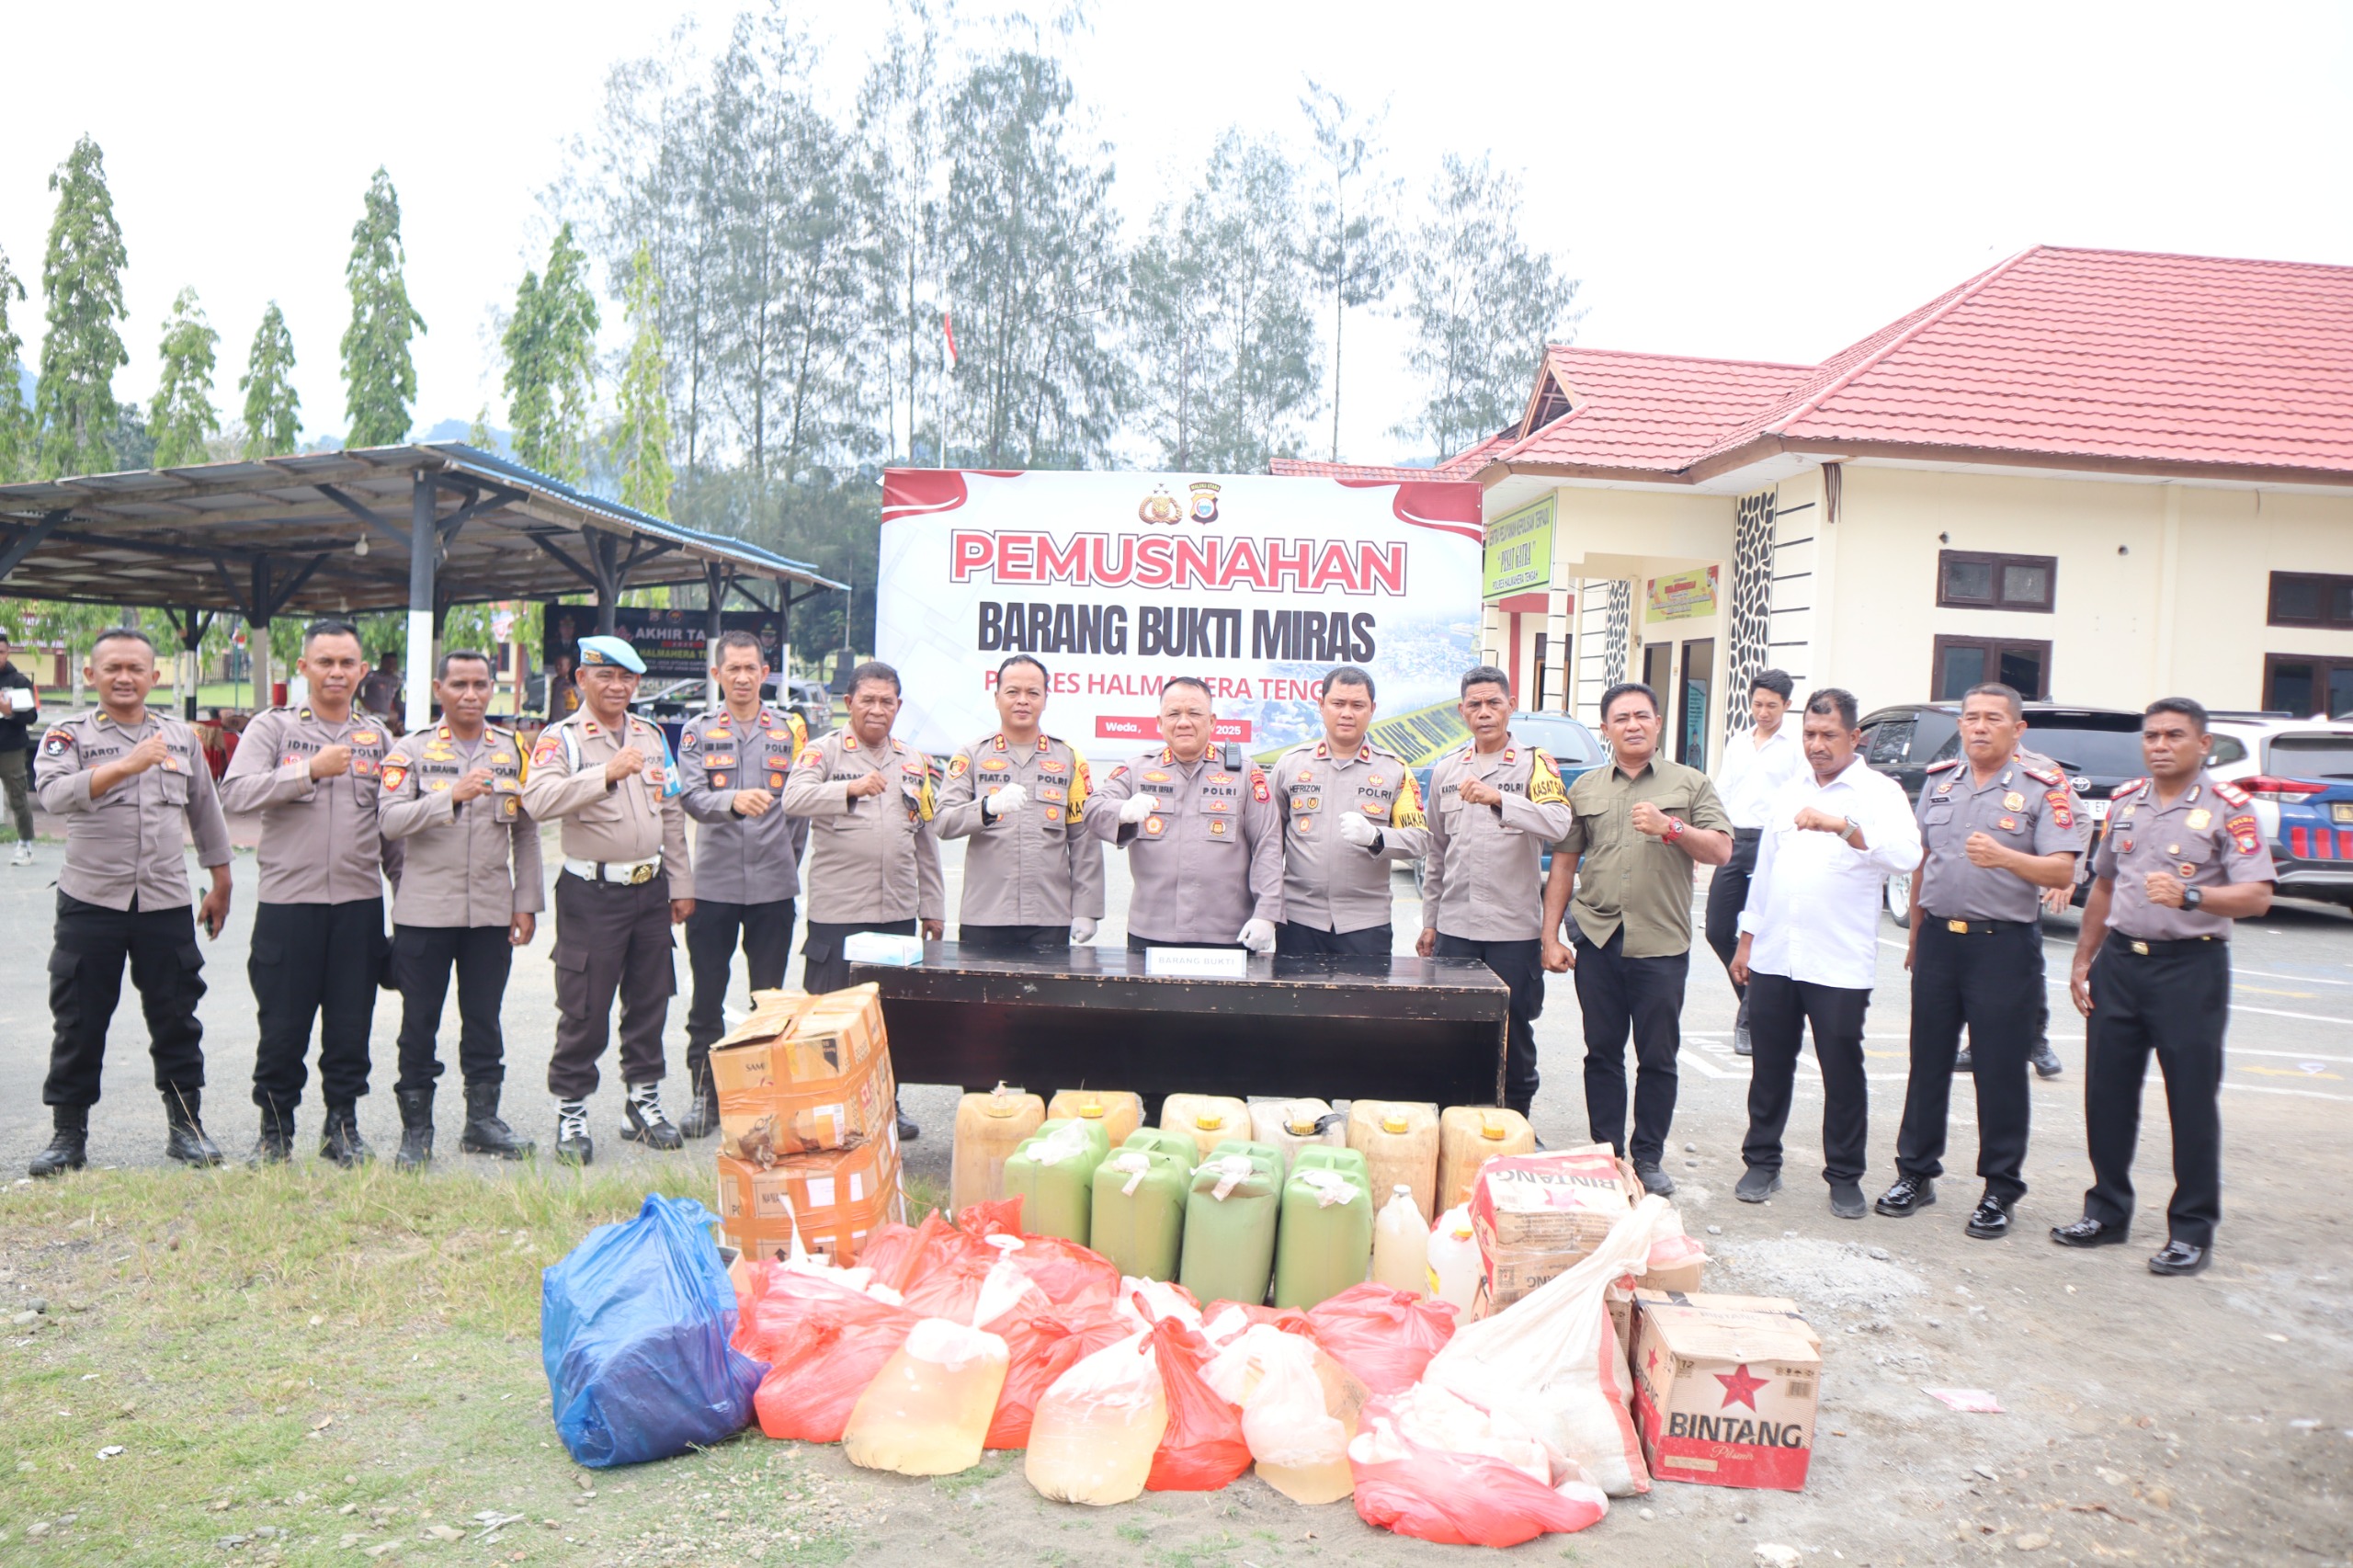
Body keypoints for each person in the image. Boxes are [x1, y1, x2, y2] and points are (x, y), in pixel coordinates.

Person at [2054, 699, 2274, 1277]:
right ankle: (2106, 1212)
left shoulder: (2232, 809)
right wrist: (2084, 958)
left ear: (2203, 745)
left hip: (2190, 969)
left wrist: (2193, 896)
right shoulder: (2127, 803)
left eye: (2175, 735)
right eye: (2152, 736)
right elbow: (2103, 885)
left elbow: (2257, 896)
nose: (2160, 745)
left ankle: (2192, 1230)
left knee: (2191, 1101)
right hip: (2121, 964)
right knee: (2106, 1093)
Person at [1876, 683, 2085, 1237]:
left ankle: (2000, 1189)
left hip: (2003, 946)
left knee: (1998, 1072)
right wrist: (1918, 936)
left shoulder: (2045, 786)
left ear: (2018, 730)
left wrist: (2007, 857)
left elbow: (2063, 872)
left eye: (1993, 718)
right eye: (1971, 717)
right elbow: (1921, 864)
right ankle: (1915, 1174)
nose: (1979, 727)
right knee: (1927, 1063)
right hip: (1942, 941)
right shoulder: (1941, 781)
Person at [27, 629, 233, 1176]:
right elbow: (50, 795)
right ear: (91, 675)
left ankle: (186, 1128)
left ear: (153, 677)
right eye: (112, 668)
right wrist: (125, 765)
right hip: (90, 901)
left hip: (164, 901)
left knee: (176, 1016)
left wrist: (221, 878)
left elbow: (204, 809)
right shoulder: (67, 736)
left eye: (136, 669)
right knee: (79, 1018)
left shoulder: (180, 738)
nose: (124, 678)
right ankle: (68, 1137)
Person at [1729, 688, 1921, 1217]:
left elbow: (1908, 855)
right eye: (1810, 734)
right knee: (1769, 1065)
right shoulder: (1789, 792)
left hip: (1837, 962)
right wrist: (1747, 940)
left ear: (1854, 737)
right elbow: (1764, 874)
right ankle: (1762, 1162)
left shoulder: (1879, 793)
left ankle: (1844, 1175)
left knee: (1841, 1069)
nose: (1816, 745)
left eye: (1828, 735)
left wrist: (1846, 827)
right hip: (1774, 956)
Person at [222, 620, 401, 1165]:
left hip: (357, 905)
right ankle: (274, 1132)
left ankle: (341, 1128)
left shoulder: (380, 738)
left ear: (363, 671)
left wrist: (407, 902)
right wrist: (308, 772)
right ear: (303, 668)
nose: (337, 673)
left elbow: (392, 828)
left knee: (351, 1025)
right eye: (325, 662)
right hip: (288, 907)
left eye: (347, 663)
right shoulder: (273, 730)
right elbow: (233, 794)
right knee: (282, 1026)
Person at [1540, 680, 1732, 1188]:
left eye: (1642, 716)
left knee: (1658, 1057)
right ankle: (1606, 1153)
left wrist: (1672, 828)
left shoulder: (1690, 784)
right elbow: (1563, 866)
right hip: (1599, 940)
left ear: (1658, 723)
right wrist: (1550, 936)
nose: (1633, 725)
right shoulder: (1585, 789)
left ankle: (1647, 1157)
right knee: (1602, 1052)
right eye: (1621, 718)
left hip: (1661, 944)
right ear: (1605, 729)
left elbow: (1719, 851)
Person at [520, 633, 695, 1164]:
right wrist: (604, 774)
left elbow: (670, 810)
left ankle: (641, 1104)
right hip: (591, 892)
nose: (617, 686)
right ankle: (571, 1113)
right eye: (605, 675)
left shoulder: (648, 734)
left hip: (650, 889)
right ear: (582, 680)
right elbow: (537, 800)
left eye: (627, 678)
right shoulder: (563, 738)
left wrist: (682, 884)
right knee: (585, 1006)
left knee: (650, 999)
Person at [377, 650, 542, 1168]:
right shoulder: (412, 750)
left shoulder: (512, 750)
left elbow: (528, 833)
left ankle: (481, 1122)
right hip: (425, 913)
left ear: (492, 688)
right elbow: (389, 821)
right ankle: (416, 1131)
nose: (470, 694)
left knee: (484, 1019)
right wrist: (450, 796)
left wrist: (527, 903)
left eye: (479, 684)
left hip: (491, 912)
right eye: (459, 685)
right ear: (438, 689)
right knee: (419, 1021)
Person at [780, 659, 942, 1139]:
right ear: (849, 703)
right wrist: (849, 788)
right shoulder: (823, 752)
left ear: (898, 706)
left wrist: (932, 906)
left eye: (886, 701)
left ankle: (886, 1104)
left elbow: (925, 838)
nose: (877, 710)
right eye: (867, 700)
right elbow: (793, 798)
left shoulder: (914, 761)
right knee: (827, 1023)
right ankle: (825, 1111)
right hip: (838, 918)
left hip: (894, 917)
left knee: (888, 1019)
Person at [1420, 666, 1574, 1119]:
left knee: (1515, 1031)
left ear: (1511, 704)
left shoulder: (1535, 763)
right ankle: (1456, 1119)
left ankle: (1516, 1122)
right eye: (1475, 705)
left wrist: (1499, 799)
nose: (1484, 713)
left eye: (1493, 703)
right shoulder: (1447, 770)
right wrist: (1430, 922)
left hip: (1513, 930)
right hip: (1457, 928)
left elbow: (1559, 823)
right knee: (1454, 1030)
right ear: (1461, 711)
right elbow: (1435, 853)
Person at [676, 631, 811, 1137]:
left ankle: (762, 1101)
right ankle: (705, 1097)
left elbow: (798, 810)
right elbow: (688, 796)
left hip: (774, 890)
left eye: (751, 668)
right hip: (713, 887)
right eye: (732, 668)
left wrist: (786, 861)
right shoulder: (697, 730)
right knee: (707, 996)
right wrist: (729, 801)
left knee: (770, 1001)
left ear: (765, 672)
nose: (742, 677)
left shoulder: (789, 731)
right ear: (717, 675)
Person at [1088, 676, 1282, 952]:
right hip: (1152, 930)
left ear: (1212, 721)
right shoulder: (1136, 770)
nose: (1183, 722)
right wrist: (1122, 810)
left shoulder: (1245, 774)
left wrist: (1267, 914)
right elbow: (1093, 809)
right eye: (1173, 714)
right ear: (1160, 722)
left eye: (1194, 713)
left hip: (1228, 934)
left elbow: (1268, 845)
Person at [933, 653, 1105, 954]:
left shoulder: (1069, 758)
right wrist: (986, 807)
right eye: (1012, 692)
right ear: (997, 697)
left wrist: (1087, 909)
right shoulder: (971, 756)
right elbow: (943, 822)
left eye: (1033, 693)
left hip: (1049, 915)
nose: (1022, 700)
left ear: (1046, 699)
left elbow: (1083, 839)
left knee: (1044, 1001)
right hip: (986, 914)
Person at [1272, 665, 1428, 956]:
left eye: (1357, 705)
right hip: (1299, 920)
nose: (1347, 713)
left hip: (1365, 925)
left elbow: (1420, 840)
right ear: (1321, 705)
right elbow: (1268, 844)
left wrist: (1376, 837)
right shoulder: (1291, 765)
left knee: (1362, 1003)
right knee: (1297, 1002)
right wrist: (1264, 908)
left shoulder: (1395, 769)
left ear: (1372, 709)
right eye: (1338, 703)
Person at [1707, 669, 1802, 1055]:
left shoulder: (1795, 748)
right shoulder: (1738, 742)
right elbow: (1721, 790)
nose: (1763, 712)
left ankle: (1748, 1020)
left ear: (1787, 706)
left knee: (1760, 932)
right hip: (1734, 839)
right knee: (1717, 927)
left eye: (1772, 706)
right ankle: (1755, 999)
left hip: (1772, 843)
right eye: (1758, 704)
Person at [0, 630, 41, 867]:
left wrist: (9, 713)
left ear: (8, 653)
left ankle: (25, 844)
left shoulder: (18, 681)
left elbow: (31, 716)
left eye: (1, 652)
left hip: (10, 749)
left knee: (17, 797)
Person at [358, 652, 403, 721]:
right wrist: (364, 704)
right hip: (371, 715)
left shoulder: (396, 680)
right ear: (382, 663)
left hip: (386, 716)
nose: (391, 666)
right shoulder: (373, 676)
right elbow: (357, 686)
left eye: (394, 663)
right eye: (388, 663)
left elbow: (397, 699)